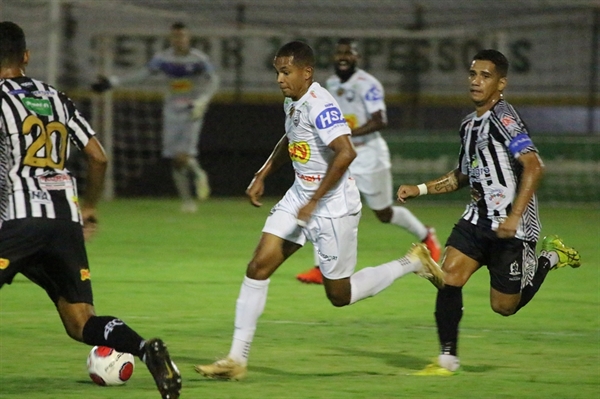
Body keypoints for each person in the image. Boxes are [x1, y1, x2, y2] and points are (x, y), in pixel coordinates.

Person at [194, 41, 444, 381]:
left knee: (339, 295)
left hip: (332, 208)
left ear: (306, 72)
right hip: (300, 197)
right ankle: (236, 359)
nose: (280, 79)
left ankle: (413, 262)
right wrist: (263, 174)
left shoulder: (320, 104)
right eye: (277, 72)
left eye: (286, 72)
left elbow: (345, 152)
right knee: (258, 267)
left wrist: (315, 201)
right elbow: (289, 138)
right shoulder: (292, 101)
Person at [0, 22, 181, 398]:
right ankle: (146, 350)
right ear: (27, 57)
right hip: (64, 220)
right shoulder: (57, 97)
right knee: (81, 321)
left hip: (17, 220)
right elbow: (98, 157)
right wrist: (91, 207)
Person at [396, 49, 581, 376]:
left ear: (501, 83)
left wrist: (514, 216)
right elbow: (461, 175)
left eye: (485, 76)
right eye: (473, 74)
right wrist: (421, 189)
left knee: (504, 307)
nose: (476, 81)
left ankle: (548, 258)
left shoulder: (504, 119)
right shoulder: (468, 125)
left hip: (513, 227)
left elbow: (534, 167)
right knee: (449, 278)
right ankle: (447, 360)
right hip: (476, 220)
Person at [296, 38, 441, 285]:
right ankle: (321, 268)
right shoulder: (329, 83)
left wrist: (346, 133)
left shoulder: (368, 84)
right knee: (323, 204)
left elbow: (380, 119)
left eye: (349, 53)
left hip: (370, 154)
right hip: (343, 155)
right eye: (339, 53)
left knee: (383, 213)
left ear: (357, 58)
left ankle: (426, 236)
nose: (343, 57)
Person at [91, 22, 219, 213]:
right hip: (171, 110)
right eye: (176, 37)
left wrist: (203, 100)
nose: (179, 40)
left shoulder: (198, 59)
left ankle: (197, 177)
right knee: (175, 159)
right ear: (171, 39)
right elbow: (142, 75)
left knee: (183, 155)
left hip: (193, 110)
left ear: (188, 38)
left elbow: (214, 80)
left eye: (182, 36)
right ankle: (188, 197)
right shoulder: (163, 58)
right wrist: (113, 81)